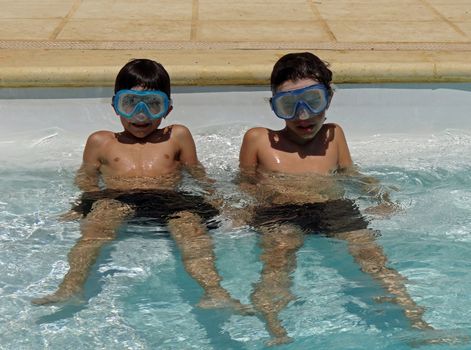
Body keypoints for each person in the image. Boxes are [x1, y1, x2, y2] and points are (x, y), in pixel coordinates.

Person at [238, 52, 431, 345]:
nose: (303, 115)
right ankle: (274, 330)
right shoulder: (257, 139)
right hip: (279, 212)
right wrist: (241, 209)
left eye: (312, 101)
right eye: (289, 105)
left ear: (328, 99)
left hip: (333, 207)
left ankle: (416, 321)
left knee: (373, 258)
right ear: (274, 106)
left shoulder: (334, 134)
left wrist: (379, 193)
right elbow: (244, 183)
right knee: (278, 259)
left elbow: (350, 174)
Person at [32, 59, 247, 313]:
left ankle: (215, 292)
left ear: (167, 109)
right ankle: (71, 288)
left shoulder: (177, 135)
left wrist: (218, 199)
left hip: (169, 199)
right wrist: (83, 205)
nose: (141, 114)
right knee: (96, 229)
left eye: (153, 105)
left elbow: (196, 173)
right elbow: (86, 178)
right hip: (117, 197)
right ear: (115, 105)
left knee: (191, 232)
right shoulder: (100, 141)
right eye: (130, 103)